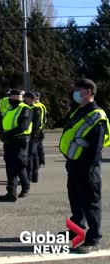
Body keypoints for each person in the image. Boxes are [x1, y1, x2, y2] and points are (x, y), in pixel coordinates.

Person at [59, 79, 110, 254]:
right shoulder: (80, 111)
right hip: (73, 164)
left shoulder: (97, 115)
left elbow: (95, 148)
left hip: (87, 167)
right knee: (76, 200)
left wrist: (87, 169)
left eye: (78, 90)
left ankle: (93, 238)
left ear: (88, 91)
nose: (75, 92)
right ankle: (76, 230)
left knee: (90, 203)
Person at [0, 89, 33, 202]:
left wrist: (8, 134)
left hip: (20, 140)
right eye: (11, 96)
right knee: (10, 166)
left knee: (19, 164)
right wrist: (2, 134)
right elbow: (4, 123)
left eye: (15, 96)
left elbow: (23, 126)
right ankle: (11, 192)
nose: (12, 98)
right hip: (9, 141)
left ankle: (26, 186)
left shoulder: (25, 109)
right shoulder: (9, 109)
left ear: (21, 97)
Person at [23, 91, 43, 183]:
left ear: (30, 99)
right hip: (32, 135)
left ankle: (30, 176)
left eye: (25, 98)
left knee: (30, 155)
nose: (24, 99)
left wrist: (34, 136)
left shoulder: (36, 109)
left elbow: (37, 124)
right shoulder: (30, 107)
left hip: (33, 135)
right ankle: (34, 177)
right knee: (33, 155)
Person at [34, 91, 47, 167]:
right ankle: (40, 161)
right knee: (38, 146)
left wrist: (39, 128)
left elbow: (42, 119)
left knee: (39, 146)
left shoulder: (40, 106)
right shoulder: (36, 105)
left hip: (39, 130)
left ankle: (41, 161)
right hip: (39, 129)